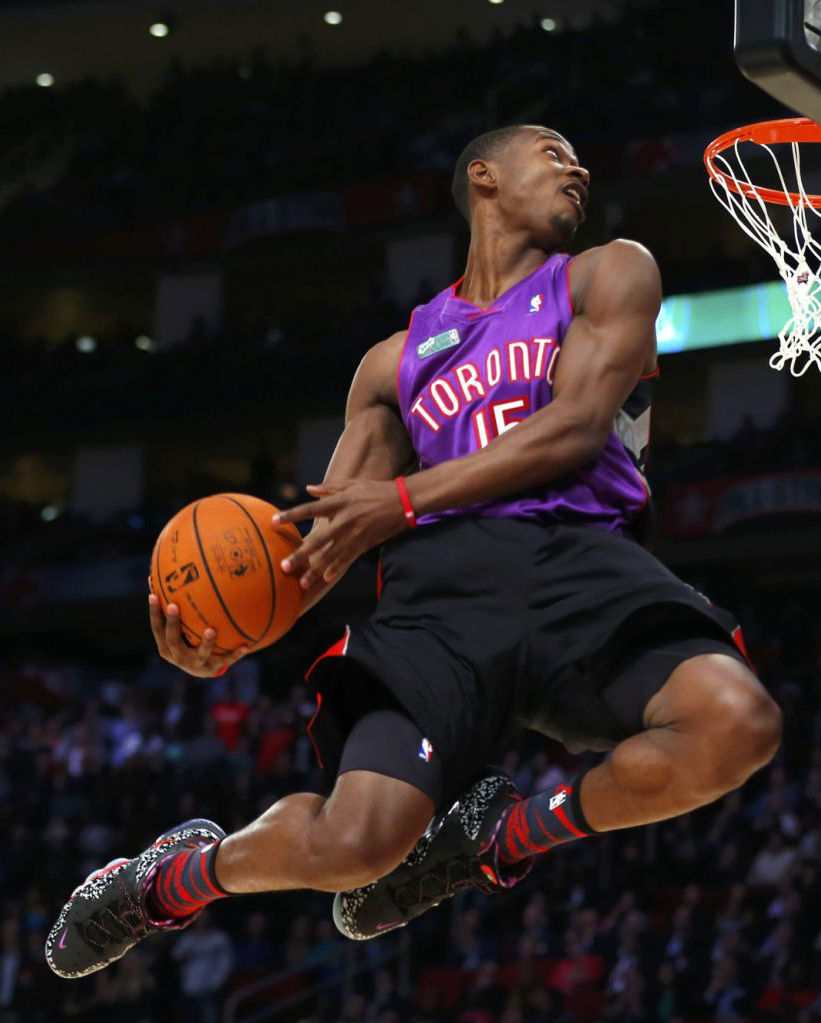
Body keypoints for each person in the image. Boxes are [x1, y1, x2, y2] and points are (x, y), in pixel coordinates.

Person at [45, 124, 782, 978]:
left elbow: (575, 428)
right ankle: (165, 881)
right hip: (441, 600)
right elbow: (321, 542)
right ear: (484, 178)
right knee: (356, 843)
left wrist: (399, 499)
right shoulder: (391, 364)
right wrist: (225, 640)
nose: (577, 166)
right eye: (551, 152)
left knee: (736, 726)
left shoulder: (606, 272)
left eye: (578, 157)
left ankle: (498, 835)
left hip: (579, 563)